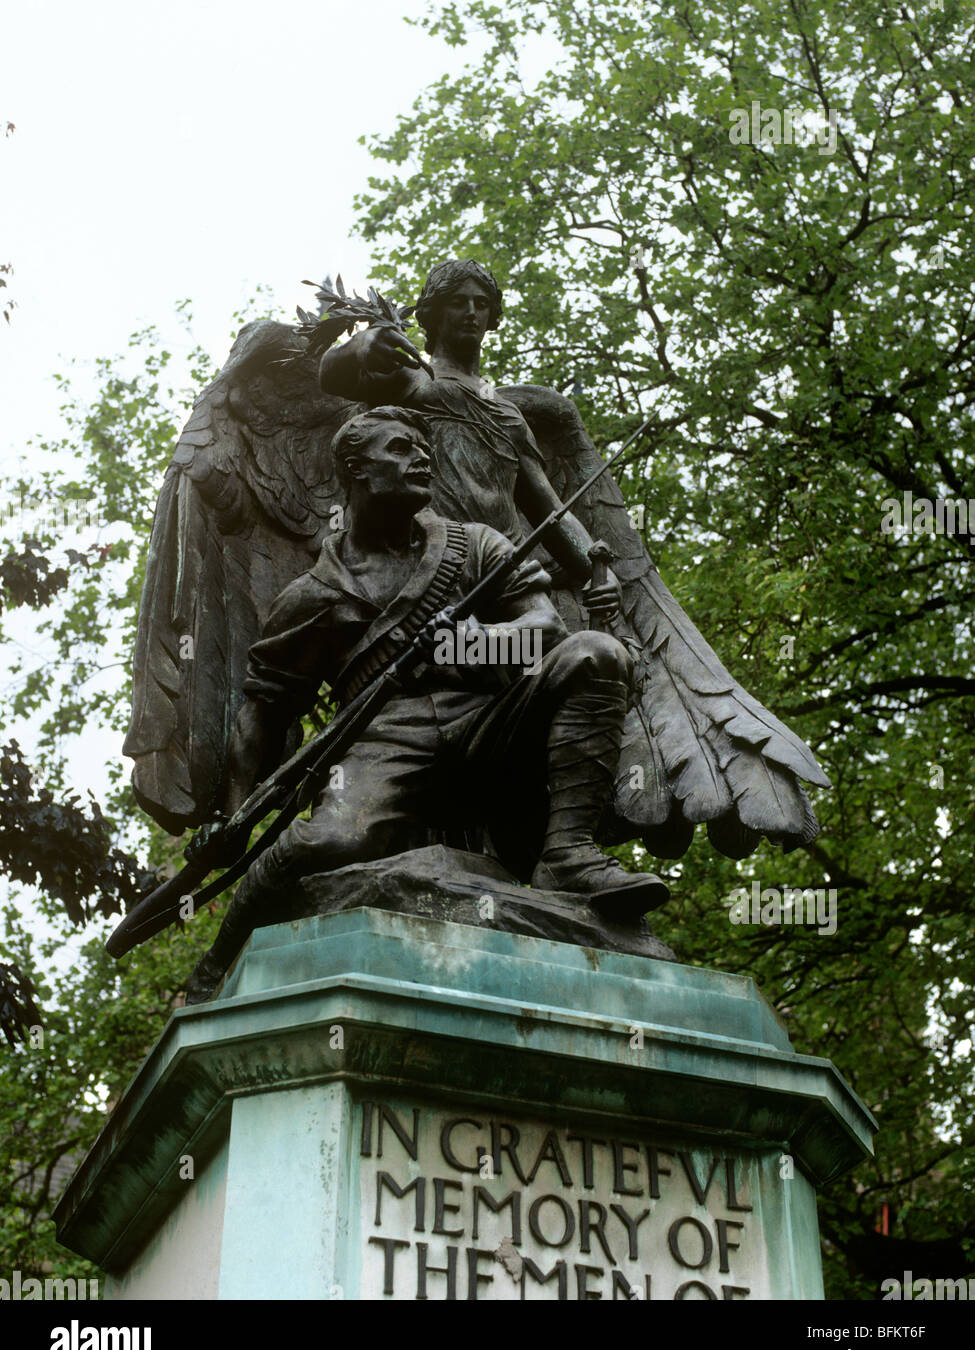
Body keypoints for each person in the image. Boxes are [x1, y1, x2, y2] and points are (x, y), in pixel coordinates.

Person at [185, 405, 666, 1002]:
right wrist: (235, 818)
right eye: (399, 448)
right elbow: (263, 710)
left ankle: (568, 855)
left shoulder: (476, 545)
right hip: (385, 737)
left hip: (489, 719)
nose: (421, 456)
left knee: (597, 653)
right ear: (357, 471)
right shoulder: (316, 594)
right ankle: (218, 964)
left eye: (423, 446)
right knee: (327, 843)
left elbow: (545, 630)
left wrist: (469, 644)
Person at [318, 258, 622, 624]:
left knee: (563, 655)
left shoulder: (509, 414)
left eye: (481, 304)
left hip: (507, 571)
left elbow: (549, 510)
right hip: (434, 562)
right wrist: (358, 346)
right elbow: (330, 377)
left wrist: (597, 570)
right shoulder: (412, 380)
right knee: (453, 658)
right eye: (458, 302)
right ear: (432, 313)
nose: (471, 312)